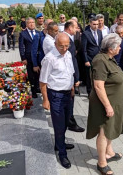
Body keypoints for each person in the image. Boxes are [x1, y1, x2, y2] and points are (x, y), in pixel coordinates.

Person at [87, 33, 123, 175]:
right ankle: (102, 162)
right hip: (104, 103)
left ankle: (109, 152)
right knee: (103, 131)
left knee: (110, 128)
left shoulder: (109, 58)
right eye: (118, 46)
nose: (120, 49)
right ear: (111, 48)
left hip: (113, 102)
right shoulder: (100, 61)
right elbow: (98, 86)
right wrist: (108, 106)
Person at [39, 33, 76, 169]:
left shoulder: (68, 54)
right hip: (56, 96)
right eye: (62, 46)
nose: (65, 48)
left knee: (66, 122)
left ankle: (59, 143)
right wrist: (45, 100)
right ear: (55, 44)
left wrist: (72, 87)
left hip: (68, 94)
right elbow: (43, 81)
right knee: (59, 125)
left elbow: (69, 72)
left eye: (67, 46)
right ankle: (62, 153)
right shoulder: (50, 58)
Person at [63, 20, 85, 132]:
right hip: (68, 76)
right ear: (70, 28)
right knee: (70, 100)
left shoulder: (68, 38)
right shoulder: (65, 40)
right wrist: (75, 77)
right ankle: (70, 122)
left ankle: (69, 120)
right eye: (76, 27)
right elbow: (71, 61)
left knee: (70, 100)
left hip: (70, 75)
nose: (77, 30)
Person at [19, 18, 40, 98]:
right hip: (28, 57)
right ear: (27, 24)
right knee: (31, 75)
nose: (32, 24)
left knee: (38, 73)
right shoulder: (23, 34)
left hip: (37, 57)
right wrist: (23, 58)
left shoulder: (38, 33)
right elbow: (21, 47)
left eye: (33, 22)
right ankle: (33, 90)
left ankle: (37, 87)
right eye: (30, 23)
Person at [82, 17, 103, 94]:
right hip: (90, 58)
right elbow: (83, 49)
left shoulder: (100, 32)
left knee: (98, 75)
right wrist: (86, 60)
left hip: (99, 57)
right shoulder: (86, 34)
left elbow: (100, 44)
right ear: (90, 24)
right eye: (94, 24)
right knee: (89, 76)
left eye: (97, 24)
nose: (96, 26)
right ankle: (89, 92)